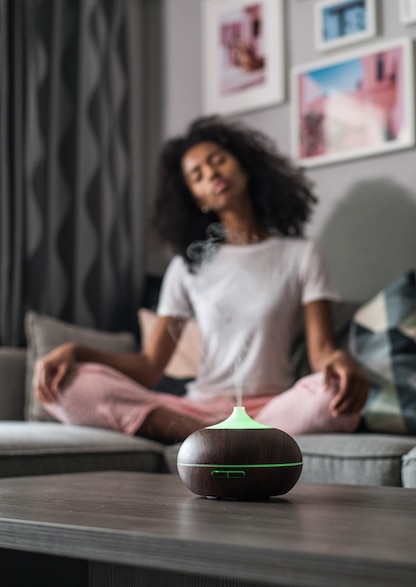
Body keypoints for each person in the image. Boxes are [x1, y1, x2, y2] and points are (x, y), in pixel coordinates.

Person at [34, 116, 369, 444]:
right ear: (198, 199)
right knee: (70, 384)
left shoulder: (302, 255)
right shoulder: (186, 266)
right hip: (196, 410)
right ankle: (212, 437)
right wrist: (74, 351)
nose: (211, 173)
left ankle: (220, 441)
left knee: (333, 397)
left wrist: (340, 361)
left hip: (271, 407)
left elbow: (322, 350)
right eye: (197, 175)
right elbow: (150, 366)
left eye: (218, 160)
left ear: (245, 167)